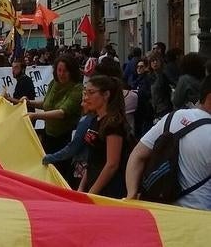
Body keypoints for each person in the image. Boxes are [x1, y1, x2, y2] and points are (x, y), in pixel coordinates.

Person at [126, 75, 211, 210]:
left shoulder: (173, 117)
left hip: (161, 214)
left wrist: (131, 195)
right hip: (200, 219)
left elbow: (137, 155)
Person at [24, 55, 83, 175]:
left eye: (65, 71)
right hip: (48, 136)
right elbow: (46, 104)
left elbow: (62, 112)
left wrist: (36, 116)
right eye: (59, 70)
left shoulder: (77, 89)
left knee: (62, 172)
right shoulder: (53, 83)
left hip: (65, 139)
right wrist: (29, 102)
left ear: (72, 71)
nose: (61, 74)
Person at [79, 75, 130, 198]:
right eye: (85, 93)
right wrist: (82, 187)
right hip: (93, 183)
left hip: (109, 189)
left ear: (106, 95)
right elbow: (92, 159)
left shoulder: (114, 124)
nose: (86, 98)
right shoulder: (95, 120)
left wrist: (92, 193)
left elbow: (112, 164)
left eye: (91, 93)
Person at [149, 52, 173, 121]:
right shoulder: (148, 77)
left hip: (163, 108)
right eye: (153, 61)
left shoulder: (164, 75)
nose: (155, 63)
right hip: (152, 109)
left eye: (157, 61)